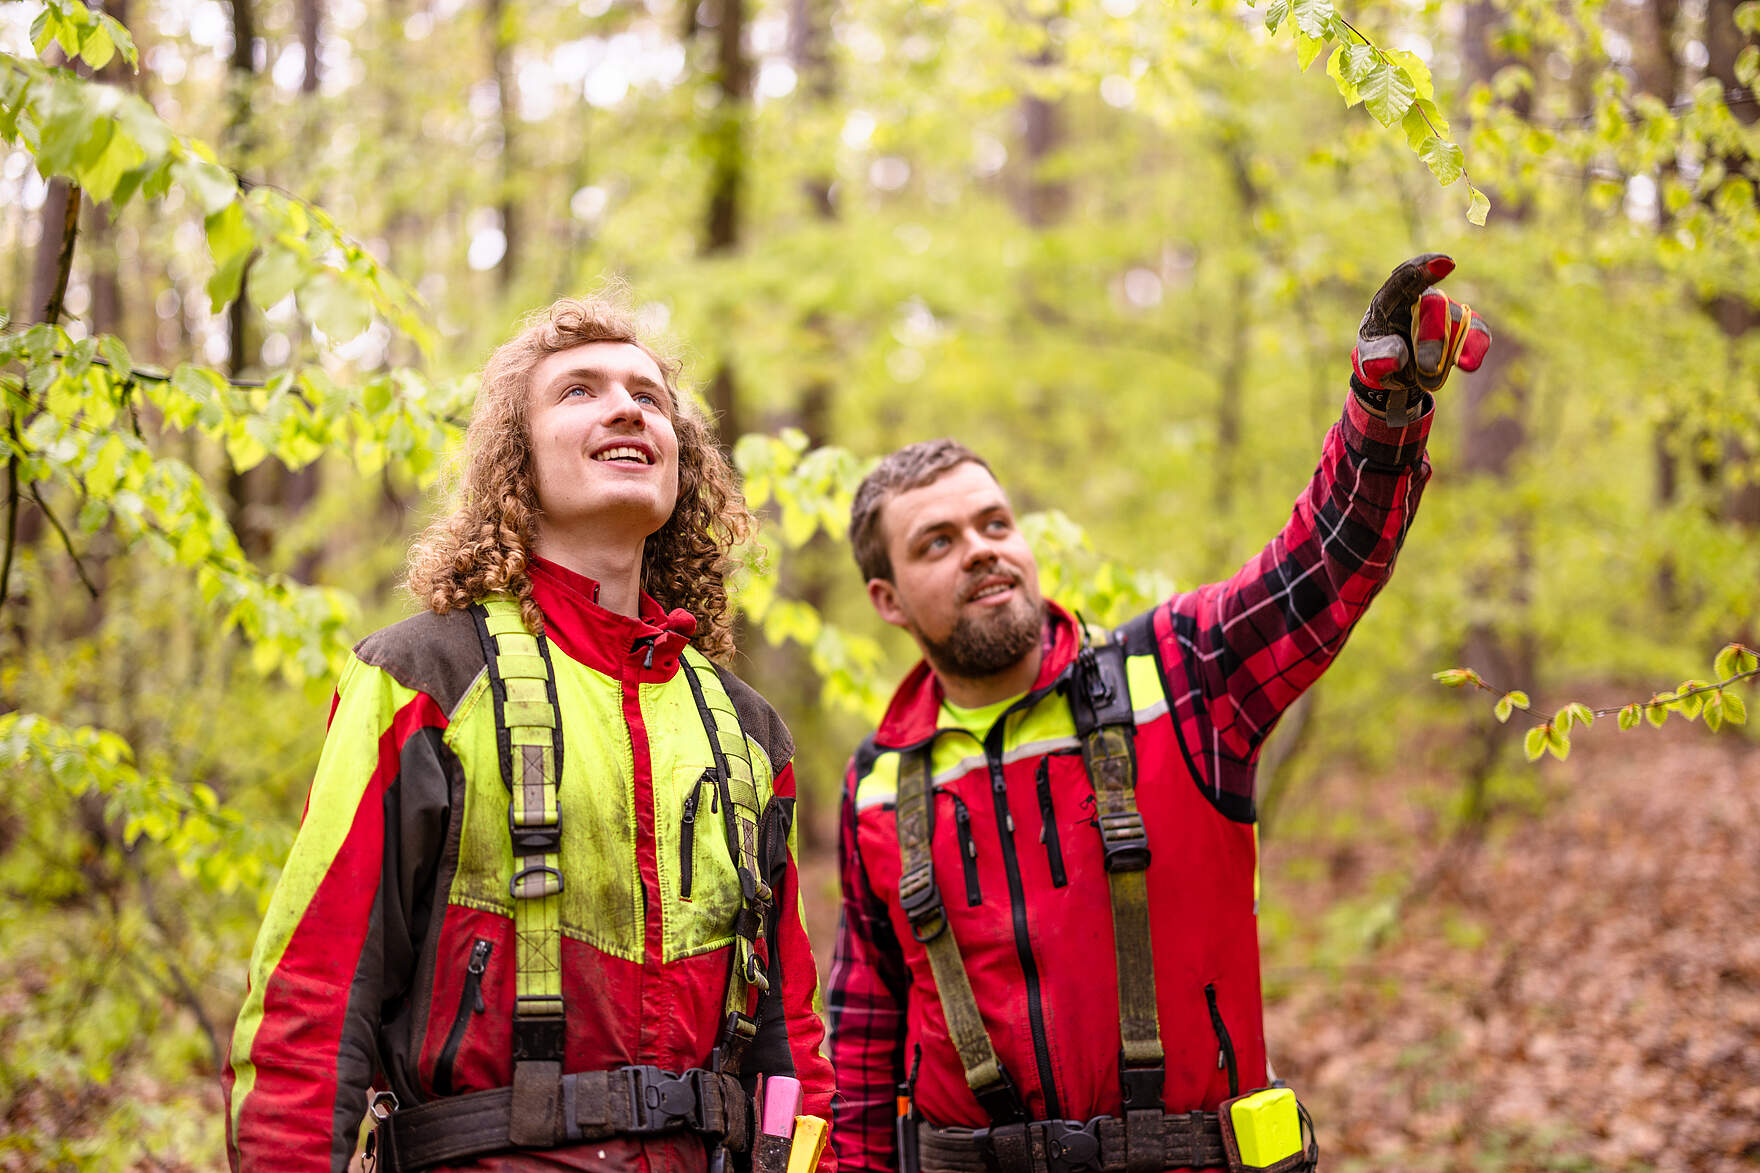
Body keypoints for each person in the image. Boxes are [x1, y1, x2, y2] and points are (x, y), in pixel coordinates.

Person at [826, 255, 1491, 1173]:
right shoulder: (874, 788)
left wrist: (1383, 419)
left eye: (994, 523)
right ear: (888, 599)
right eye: (937, 543)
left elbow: (1323, 566)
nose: (981, 552)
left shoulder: (1179, 671)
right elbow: (863, 1048)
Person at [224, 297, 835, 1173]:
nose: (627, 407)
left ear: (682, 462)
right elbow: (313, 1000)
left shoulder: (747, 733)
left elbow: (793, 1040)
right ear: (517, 456)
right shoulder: (421, 679)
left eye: (649, 397)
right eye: (579, 391)